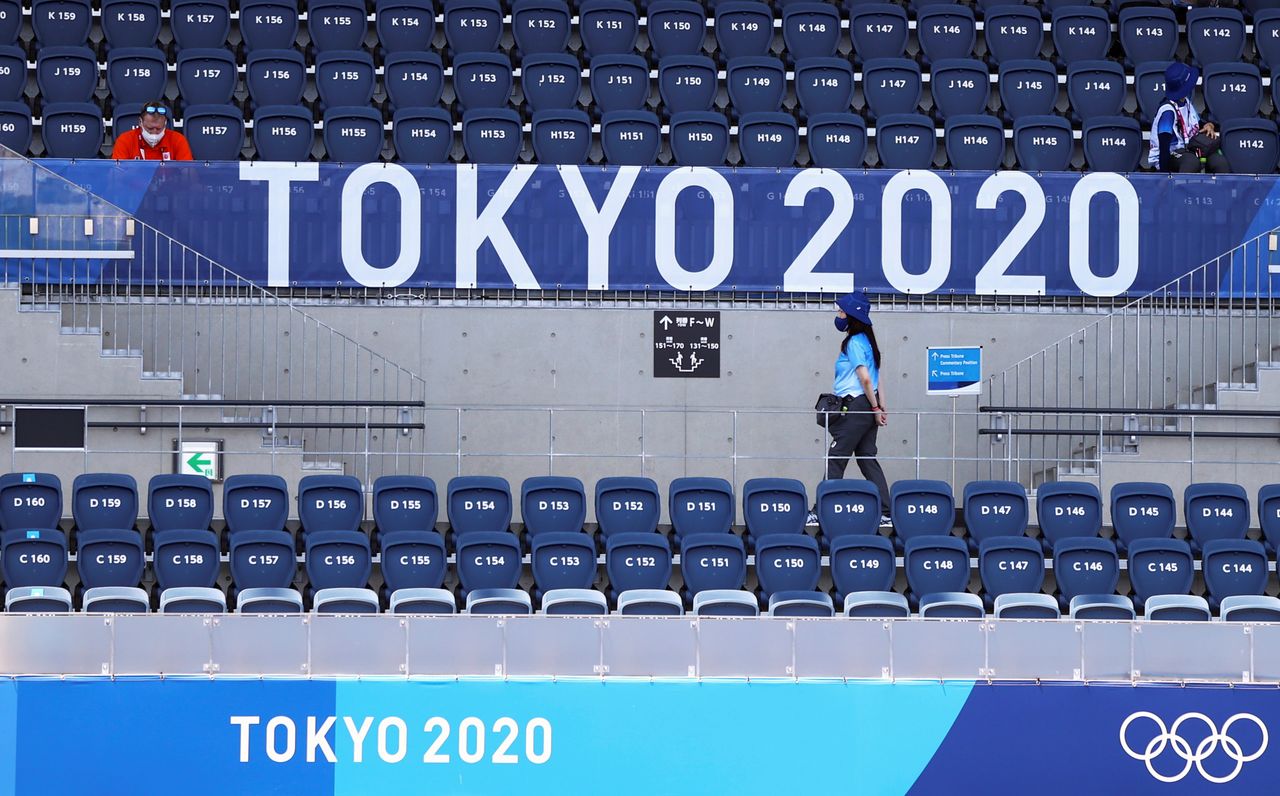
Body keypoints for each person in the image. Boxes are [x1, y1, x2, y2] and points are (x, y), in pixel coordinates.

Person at [807, 293, 892, 527]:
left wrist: (875, 408)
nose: (838, 315)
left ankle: (819, 511)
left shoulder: (853, 342)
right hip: (868, 404)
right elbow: (878, 379)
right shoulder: (868, 341)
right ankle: (887, 512)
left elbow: (865, 378)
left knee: (836, 457)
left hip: (856, 406)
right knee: (866, 458)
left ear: (852, 316)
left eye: (841, 312)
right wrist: (880, 406)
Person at [1147, 62, 1228, 174]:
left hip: (1189, 149)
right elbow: (1164, 148)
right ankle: (1182, 192)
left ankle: (1218, 191)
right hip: (1168, 155)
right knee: (1190, 162)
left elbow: (1197, 124)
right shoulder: (1167, 112)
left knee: (1219, 162)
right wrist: (1164, 178)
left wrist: (1208, 125)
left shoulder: (1186, 102)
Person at [110, 100, 193, 161]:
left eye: (158, 129)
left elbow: (189, 175)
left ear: (165, 123)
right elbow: (117, 175)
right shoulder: (125, 140)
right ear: (140, 122)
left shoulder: (178, 140)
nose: (154, 133)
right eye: (150, 128)